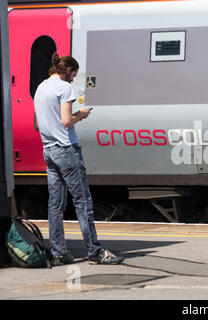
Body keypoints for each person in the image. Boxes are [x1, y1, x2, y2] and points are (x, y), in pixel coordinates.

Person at [33, 52, 124, 266]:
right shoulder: (64, 88)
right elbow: (66, 121)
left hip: (48, 150)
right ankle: (95, 251)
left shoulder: (40, 88)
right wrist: (81, 114)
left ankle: (58, 252)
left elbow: (37, 125)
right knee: (83, 202)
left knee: (55, 204)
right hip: (66, 149)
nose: (74, 79)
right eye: (74, 74)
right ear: (68, 71)